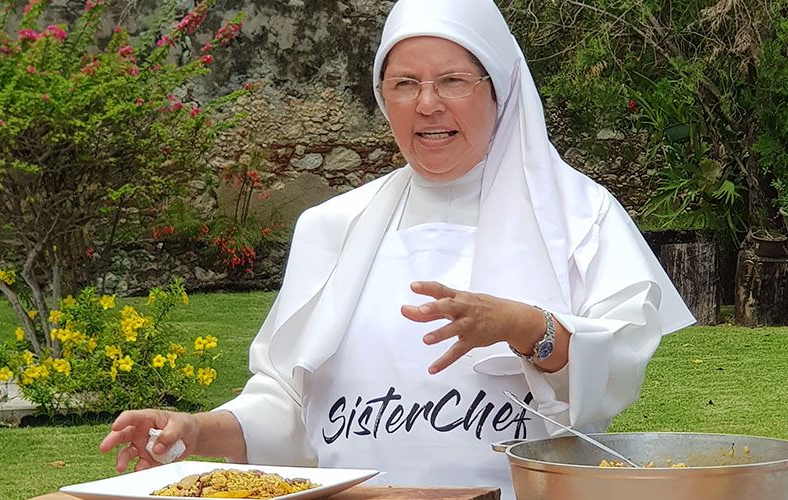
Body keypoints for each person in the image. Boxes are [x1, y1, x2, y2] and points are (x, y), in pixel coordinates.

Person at [99, 0, 695, 497]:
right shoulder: (333, 226)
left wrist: (521, 324)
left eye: (453, 81)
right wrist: (195, 431)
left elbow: (608, 379)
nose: (427, 104)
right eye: (404, 84)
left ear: (501, 90)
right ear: (383, 97)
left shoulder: (579, 218)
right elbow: (288, 407)